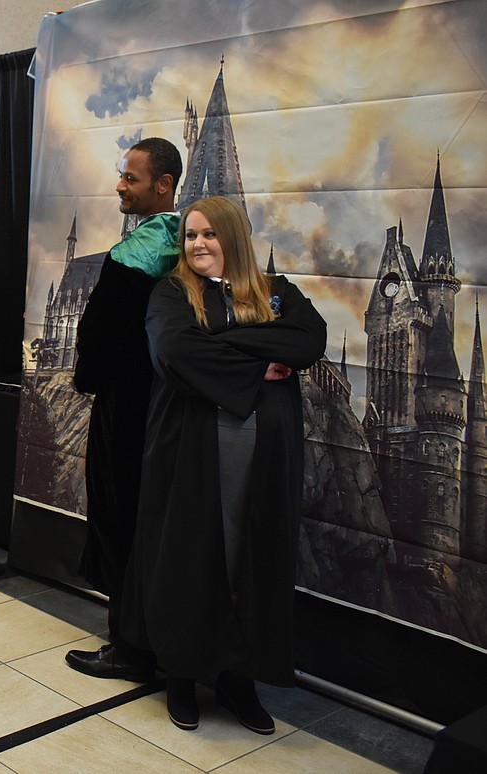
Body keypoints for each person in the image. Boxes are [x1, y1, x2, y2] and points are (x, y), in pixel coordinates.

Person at [122, 196, 326, 733]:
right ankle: (183, 677)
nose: (198, 245)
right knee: (192, 556)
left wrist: (222, 343)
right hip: (191, 451)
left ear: (233, 237)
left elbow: (308, 340)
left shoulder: (278, 292)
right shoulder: (171, 293)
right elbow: (173, 351)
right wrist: (260, 365)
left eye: (209, 234)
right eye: (190, 235)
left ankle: (240, 680)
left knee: (249, 560)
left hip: (263, 456)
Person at [65, 137, 183, 683]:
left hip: (127, 406)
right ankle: (150, 638)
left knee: (120, 514)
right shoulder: (191, 245)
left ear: (163, 185)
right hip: (166, 408)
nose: (119, 185)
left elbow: (104, 334)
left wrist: (91, 380)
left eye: (130, 178)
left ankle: (128, 645)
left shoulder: (137, 254)